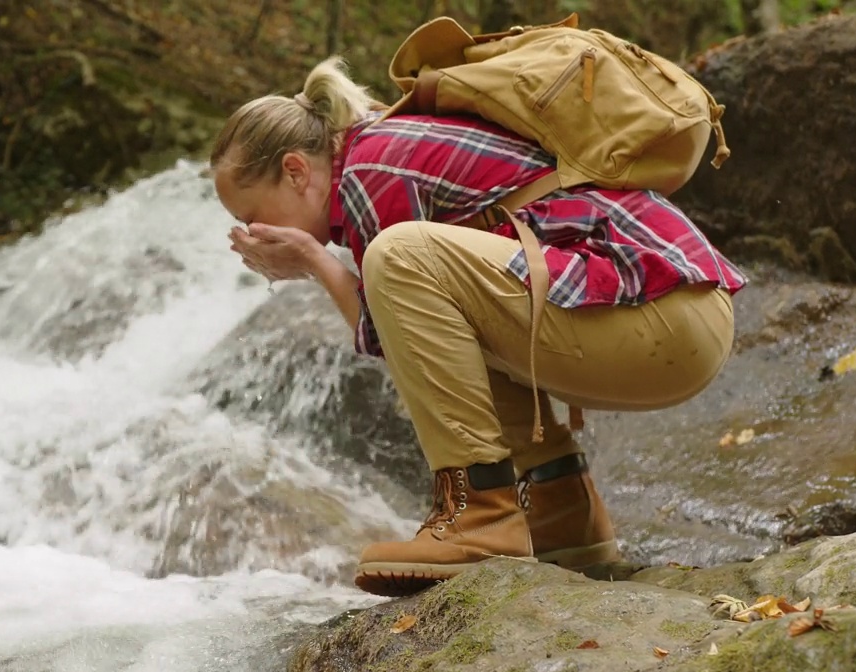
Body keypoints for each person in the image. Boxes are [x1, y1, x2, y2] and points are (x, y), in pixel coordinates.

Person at [209, 57, 746, 598]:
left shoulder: (373, 171)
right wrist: (313, 258)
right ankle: (561, 508)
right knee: (433, 300)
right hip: (679, 315)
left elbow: (390, 325)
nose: (251, 232)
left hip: (664, 315)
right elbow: (407, 334)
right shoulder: (377, 153)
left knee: (400, 256)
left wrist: (312, 261)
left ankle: (480, 515)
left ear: (296, 170)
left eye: (252, 214)